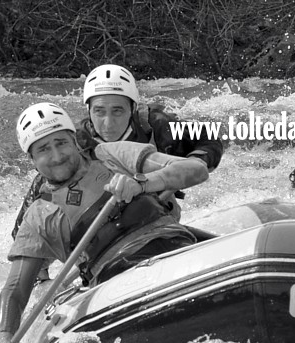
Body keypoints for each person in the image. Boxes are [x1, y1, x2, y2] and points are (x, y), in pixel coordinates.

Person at [0, 102, 210, 343]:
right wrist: (3, 335)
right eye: (44, 149)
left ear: (74, 140)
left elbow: (196, 170)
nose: (57, 155)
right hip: (117, 278)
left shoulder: (110, 155)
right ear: (32, 160)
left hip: (174, 246)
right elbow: (15, 289)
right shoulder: (38, 216)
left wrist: (142, 183)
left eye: (61, 142)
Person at [12, 64, 223, 281]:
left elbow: (208, 138)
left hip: (157, 219)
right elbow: (24, 233)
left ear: (132, 108)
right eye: (99, 112)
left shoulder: (156, 124)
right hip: (103, 247)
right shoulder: (73, 148)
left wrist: (188, 165)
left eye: (118, 111)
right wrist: (41, 279)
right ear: (88, 111)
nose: (108, 123)